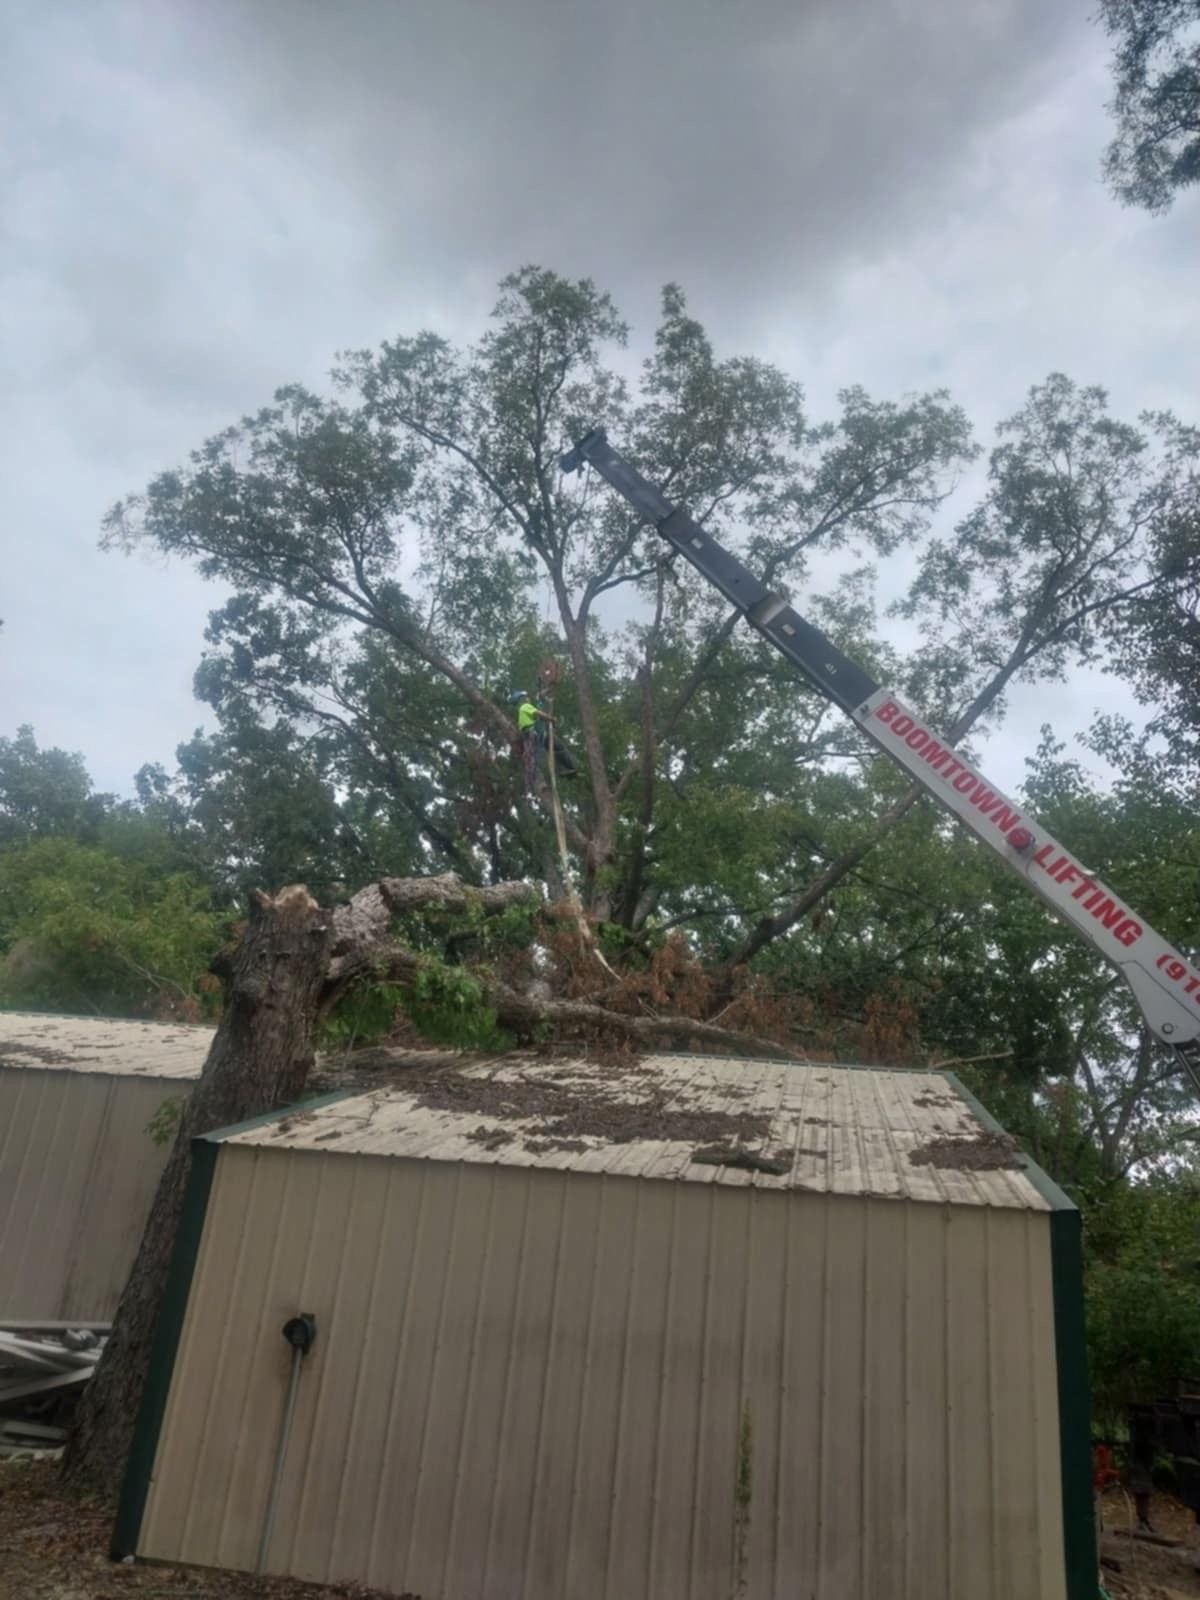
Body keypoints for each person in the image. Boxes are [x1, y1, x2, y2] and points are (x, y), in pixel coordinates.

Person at [511, 690, 553, 793]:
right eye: (527, 698)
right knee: (533, 757)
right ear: (524, 699)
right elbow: (539, 713)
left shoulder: (521, 710)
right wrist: (551, 719)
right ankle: (532, 782)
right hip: (530, 732)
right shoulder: (525, 706)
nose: (529, 699)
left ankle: (529, 783)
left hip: (527, 733)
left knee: (530, 757)